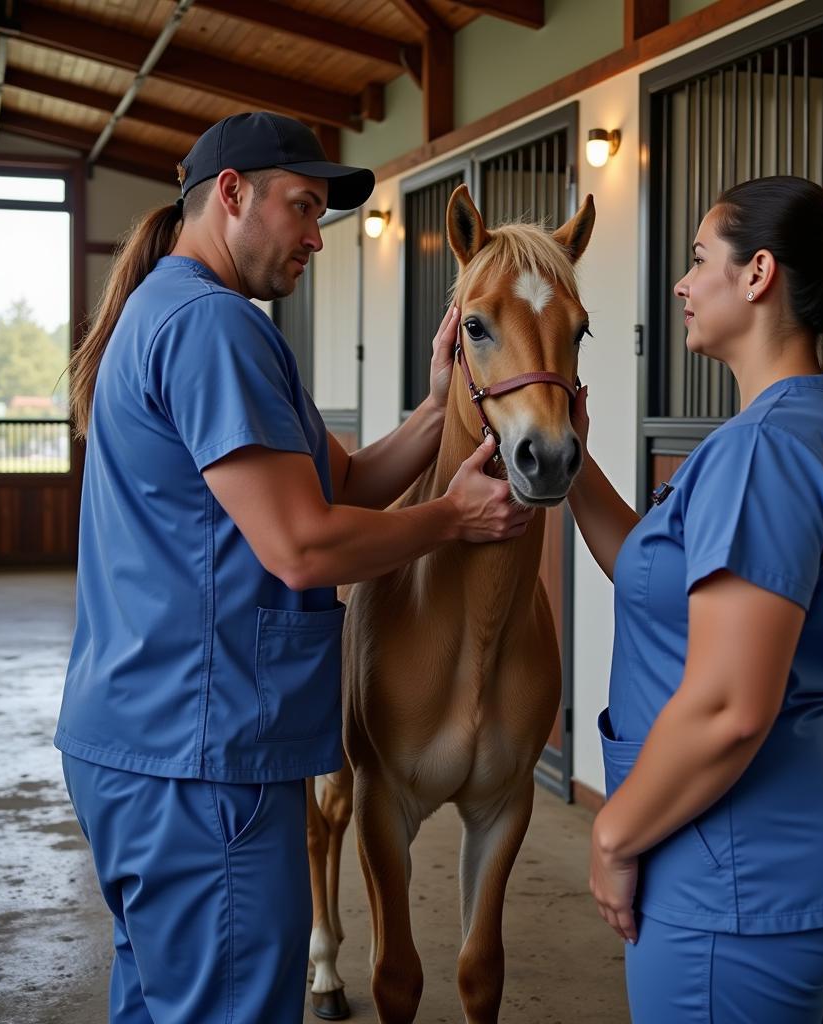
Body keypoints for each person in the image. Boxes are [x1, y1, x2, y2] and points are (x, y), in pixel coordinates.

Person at [54, 111, 532, 1024]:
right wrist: (453, 518)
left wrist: (439, 409)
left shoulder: (183, 313)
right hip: (201, 756)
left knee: (163, 1004)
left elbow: (343, 482)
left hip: (143, 740)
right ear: (231, 196)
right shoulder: (212, 328)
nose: (318, 235)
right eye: (304, 206)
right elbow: (303, 544)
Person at [568, 175, 823, 1022]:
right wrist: (570, 465)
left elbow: (729, 705)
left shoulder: (759, 449)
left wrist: (613, 836)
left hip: (738, 873)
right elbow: (663, 586)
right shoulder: (811, 422)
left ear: (757, 274)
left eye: (697, 259)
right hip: (807, 855)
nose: (682, 285)